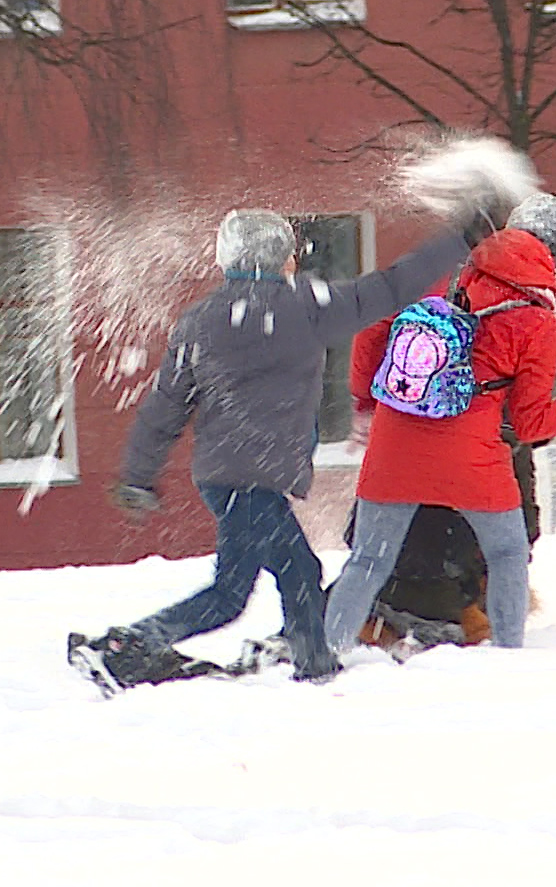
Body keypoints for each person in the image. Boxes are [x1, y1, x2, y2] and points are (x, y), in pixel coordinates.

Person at [77, 208, 479, 687]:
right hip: (254, 481)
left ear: (229, 259)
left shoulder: (201, 319)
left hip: (222, 478)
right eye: (290, 253)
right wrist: (461, 238)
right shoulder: (308, 305)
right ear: (281, 258)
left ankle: (147, 642)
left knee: (236, 591)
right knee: (297, 574)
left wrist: (139, 476)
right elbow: (394, 286)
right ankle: (310, 669)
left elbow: (164, 407)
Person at [324, 223, 556, 655]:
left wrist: (366, 399)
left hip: (394, 444)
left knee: (368, 558)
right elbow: (531, 424)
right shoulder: (534, 318)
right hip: (472, 457)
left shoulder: (435, 279)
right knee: (507, 553)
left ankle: (325, 655)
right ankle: (508, 653)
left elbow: (370, 332)